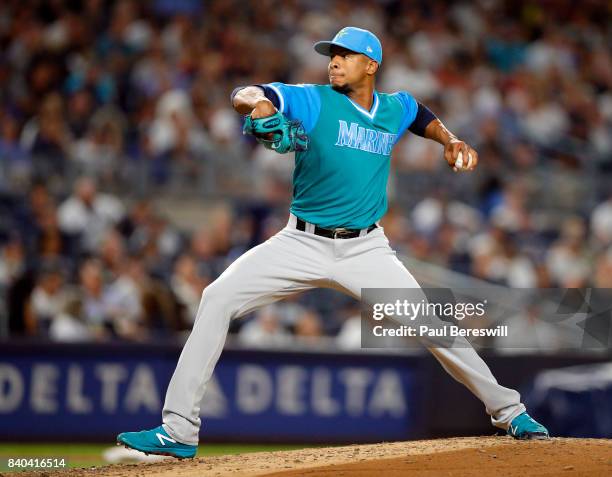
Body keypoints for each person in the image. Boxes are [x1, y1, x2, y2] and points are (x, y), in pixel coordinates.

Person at [117, 27, 549, 459]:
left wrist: (449, 139)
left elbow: (420, 114)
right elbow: (243, 93)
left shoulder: (393, 108)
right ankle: (179, 429)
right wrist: (261, 103)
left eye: (345, 54)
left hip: (366, 250)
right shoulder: (313, 98)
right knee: (216, 297)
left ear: (371, 65)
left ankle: (510, 411)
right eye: (332, 54)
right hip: (299, 242)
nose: (334, 61)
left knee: (432, 327)